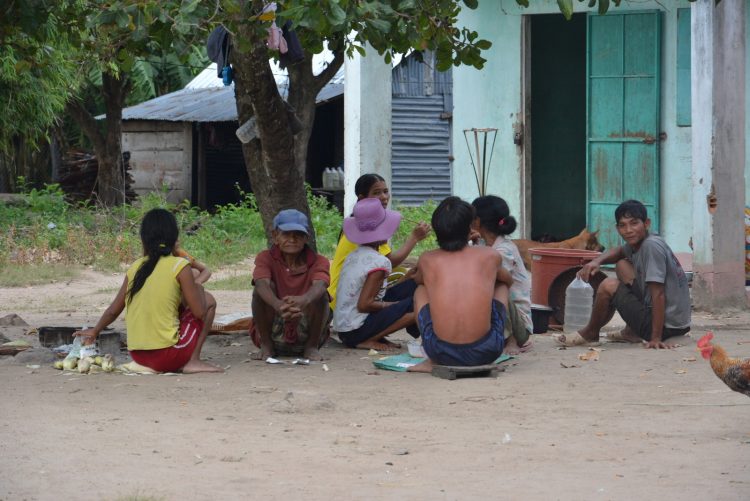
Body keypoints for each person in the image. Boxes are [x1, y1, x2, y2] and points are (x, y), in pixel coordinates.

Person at [74, 208, 221, 373]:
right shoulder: (180, 265)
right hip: (166, 356)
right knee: (209, 301)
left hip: (138, 355)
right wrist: (198, 286)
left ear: (144, 240)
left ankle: (180, 354)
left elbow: (113, 310)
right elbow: (200, 312)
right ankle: (193, 360)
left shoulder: (136, 267)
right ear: (175, 238)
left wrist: (95, 330)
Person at [556, 199, 691, 349]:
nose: (628, 230)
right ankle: (631, 332)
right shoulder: (644, 241)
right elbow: (620, 251)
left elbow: (658, 293)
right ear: (617, 228)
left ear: (646, 223)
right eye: (622, 225)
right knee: (622, 265)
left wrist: (655, 338)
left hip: (667, 327)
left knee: (608, 285)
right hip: (678, 323)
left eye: (634, 223)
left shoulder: (651, 246)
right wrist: (597, 261)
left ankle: (590, 333)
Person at [408, 197, 514, 373]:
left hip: (440, 352)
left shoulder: (427, 259)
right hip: (488, 351)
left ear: (437, 230)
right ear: (470, 228)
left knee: (421, 290)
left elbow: (419, 280)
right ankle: (507, 338)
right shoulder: (490, 255)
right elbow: (508, 280)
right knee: (501, 285)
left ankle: (430, 360)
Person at [328, 173, 431, 310]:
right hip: (348, 302)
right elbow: (390, 261)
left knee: (403, 273)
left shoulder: (357, 222)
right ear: (362, 198)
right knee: (414, 285)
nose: (383, 197)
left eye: (385, 191)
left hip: (345, 297)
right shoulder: (367, 226)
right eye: (377, 193)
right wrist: (414, 238)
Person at [333, 198, 419, 351]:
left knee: (412, 285)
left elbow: (375, 293)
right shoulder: (379, 262)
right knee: (415, 304)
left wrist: (406, 279)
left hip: (345, 328)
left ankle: (377, 334)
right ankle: (369, 339)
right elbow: (365, 304)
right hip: (355, 331)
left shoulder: (354, 255)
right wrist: (395, 306)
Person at [251, 209, 331, 361]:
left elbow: (321, 284)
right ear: (275, 237)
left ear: (306, 238)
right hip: (276, 324)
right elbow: (261, 283)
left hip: (305, 327)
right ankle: (266, 345)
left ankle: (311, 347)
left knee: (321, 295)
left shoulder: (319, 261)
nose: (292, 239)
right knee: (260, 292)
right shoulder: (265, 258)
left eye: (298, 235)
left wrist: (304, 300)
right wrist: (278, 305)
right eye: (286, 234)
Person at [472, 195, 533, 354]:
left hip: (518, 325)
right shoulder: (483, 244)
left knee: (498, 286)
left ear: (477, 222)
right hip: (497, 319)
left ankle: (511, 339)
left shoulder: (504, 250)